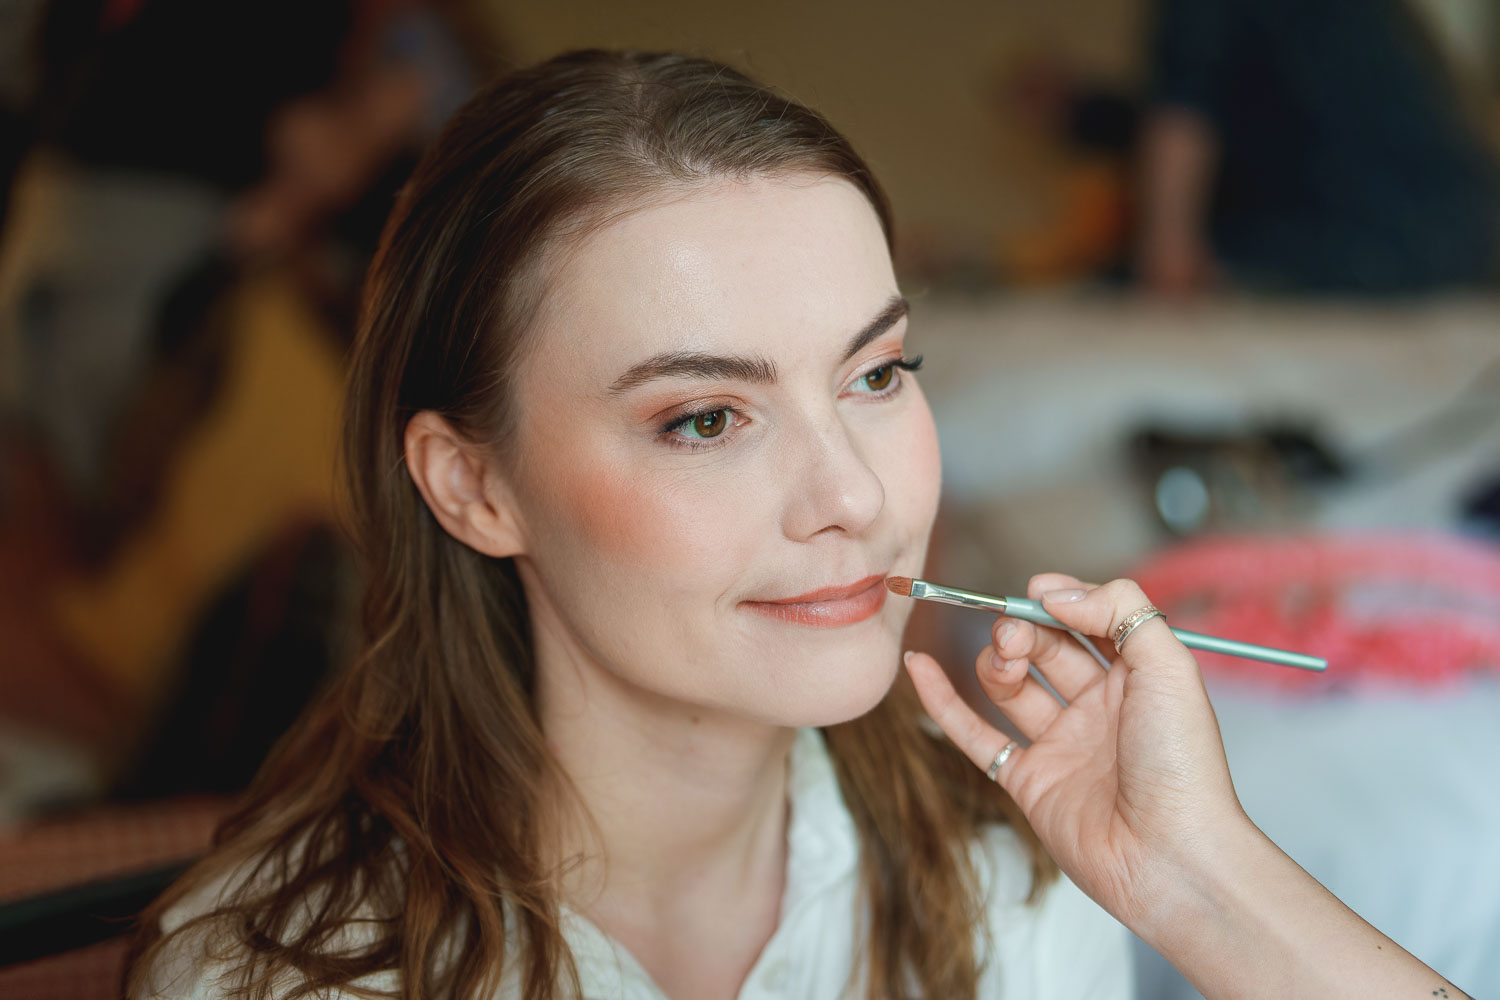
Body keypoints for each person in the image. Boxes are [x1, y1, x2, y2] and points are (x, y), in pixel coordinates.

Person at [127, 50, 1472, 999]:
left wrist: (1199, 883)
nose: (857, 499)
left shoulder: (1008, 893)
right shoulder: (277, 978)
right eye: (708, 417)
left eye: (876, 377)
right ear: (473, 486)